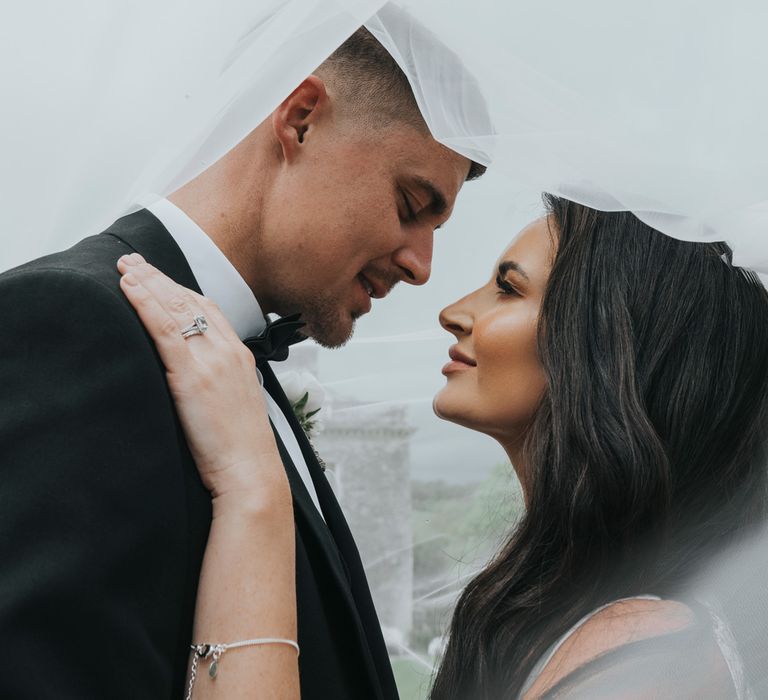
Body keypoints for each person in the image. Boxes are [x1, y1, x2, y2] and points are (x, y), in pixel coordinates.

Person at [118, 194, 768, 698]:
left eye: (508, 288)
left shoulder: (645, 655)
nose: (453, 310)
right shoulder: (540, 599)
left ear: (605, 347)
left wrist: (251, 486)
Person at [0, 25, 485, 699]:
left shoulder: (242, 357)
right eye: (410, 205)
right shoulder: (74, 323)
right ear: (301, 119)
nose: (422, 265)